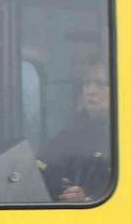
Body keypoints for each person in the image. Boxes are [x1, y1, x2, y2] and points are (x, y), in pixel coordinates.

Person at [40, 64, 114, 204]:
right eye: (86, 84)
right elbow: (43, 166)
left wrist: (87, 199)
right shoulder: (67, 136)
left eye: (101, 84)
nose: (90, 91)